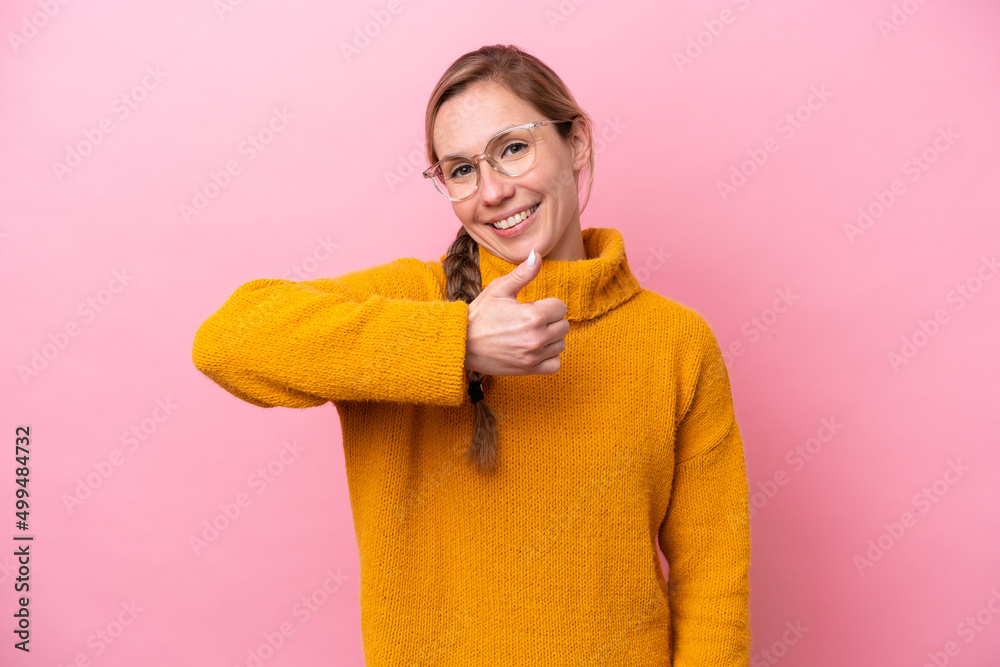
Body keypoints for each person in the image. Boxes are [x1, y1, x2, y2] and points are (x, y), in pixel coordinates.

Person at [192, 44, 751, 666]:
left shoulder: (676, 341)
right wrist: (457, 344)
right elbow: (227, 340)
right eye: (460, 170)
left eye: (513, 148)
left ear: (577, 144)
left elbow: (713, 584)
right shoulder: (415, 300)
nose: (492, 191)